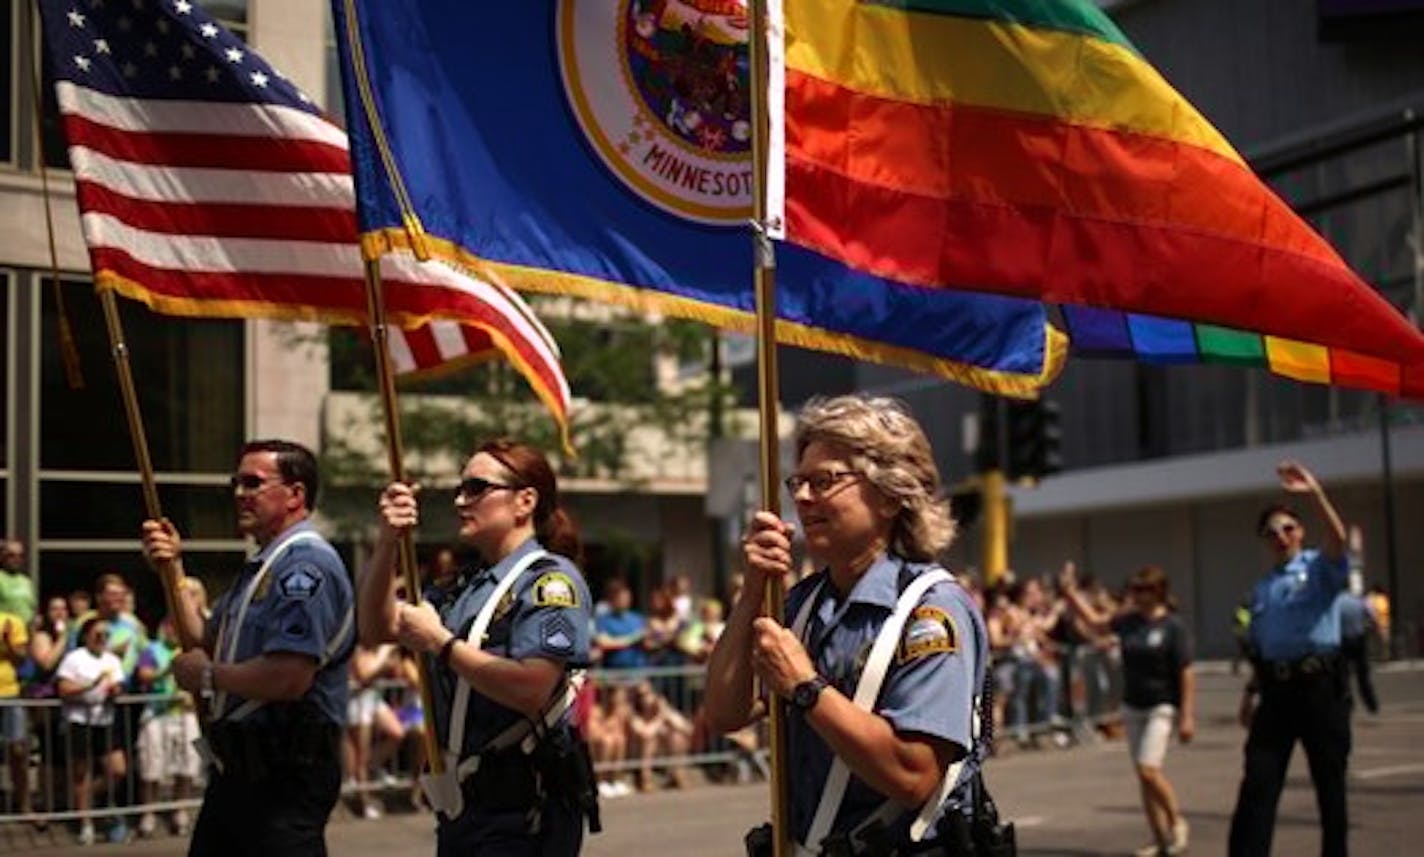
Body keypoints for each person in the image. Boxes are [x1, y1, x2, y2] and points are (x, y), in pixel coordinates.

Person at [704, 394, 989, 855]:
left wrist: (805, 687)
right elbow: (723, 714)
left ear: (892, 495)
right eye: (799, 482)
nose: (800, 497)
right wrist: (752, 591)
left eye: (825, 481)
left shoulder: (930, 611)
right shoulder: (801, 602)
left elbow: (913, 776)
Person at [358, 438, 600, 855]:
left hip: (522, 813)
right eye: (460, 488)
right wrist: (387, 544)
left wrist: (441, 642)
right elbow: (376, 628)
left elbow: (531, 687)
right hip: (464, 809)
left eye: (476, 488)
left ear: (524, 501)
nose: (459, 499)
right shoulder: (462, 586)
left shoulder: (549, 582)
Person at [139, 439, 355, 857]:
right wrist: (173, 568)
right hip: (239, 774)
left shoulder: (304, 567)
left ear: (295, 494)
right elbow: (204, 638)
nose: (240, 493)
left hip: (283, 776)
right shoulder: (261, 568)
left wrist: (205, 675)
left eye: (253, 482)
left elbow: (289, 676)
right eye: (236, 482)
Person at [1228, 461, 1350, 857]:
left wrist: (1314, 492)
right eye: (1271, 532)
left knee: (1329, 786)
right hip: (1277, 692)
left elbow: (1339, 538)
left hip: (1319, 689)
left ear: (1300, 532)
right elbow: (1263, 646)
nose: (1280, 536)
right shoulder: (1263, 589)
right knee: (1258, 782)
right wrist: (1250, 693)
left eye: (1288, 528)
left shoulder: (1317, 569)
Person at [1061, 564, 1195, 856]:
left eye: (1142, 589)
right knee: (1143, 774)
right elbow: (1096, 622)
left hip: (1161, 705)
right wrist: (1071, 593)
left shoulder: (1172, 626)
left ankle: (1177, 822)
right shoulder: (1129, 621)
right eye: (1134, 589)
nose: (1136, 594)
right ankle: (1159, 839)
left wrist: (1187, 714)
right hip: (1133, 705)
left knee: (1149, 770)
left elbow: (1185, 671)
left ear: (1157, 592)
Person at [55, 616, 126, 845]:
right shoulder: (74, 658)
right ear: (86, 636)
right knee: (81, 773)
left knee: (117, 770)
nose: (102, 639)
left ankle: (87, 801)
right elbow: (64, 688)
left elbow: (118, 685)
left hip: (104, 720)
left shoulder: (112, 660)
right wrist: (92, 684)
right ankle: (85, 823)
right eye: (97, 634)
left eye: (106, 635)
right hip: (79, 721)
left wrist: (115, 690)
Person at [134, 618, 201, 838]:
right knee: (151, 765)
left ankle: (180, 810)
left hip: (186, 714)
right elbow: (144, 675)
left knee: (187, 763)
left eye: (177, 626)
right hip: (157, 713)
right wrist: (168, 669)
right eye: (170, 626)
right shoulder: (152, 649)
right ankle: (148, 812)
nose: (173, 631)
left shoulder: (192, 650)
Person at [1336, 592, 1378, 714]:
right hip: (1359, 639)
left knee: (1343, 675)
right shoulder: (1359, 601)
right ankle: (1371, 703)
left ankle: (1348, 703)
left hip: (1342, 641)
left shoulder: (1336, 602)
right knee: (1363, 674)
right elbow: (1372, 616)